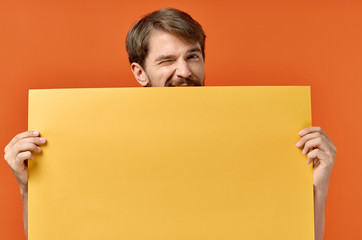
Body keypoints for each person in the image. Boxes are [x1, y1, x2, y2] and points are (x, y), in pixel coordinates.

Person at [4, 8, 336, 240]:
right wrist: (27, 187)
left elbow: (295, 236)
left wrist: (318, 186)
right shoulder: (100, 139)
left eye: (192, 56)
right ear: (140, 73)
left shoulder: (248, 137)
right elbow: (55, 235)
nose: (185, 72)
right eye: (167, 60)